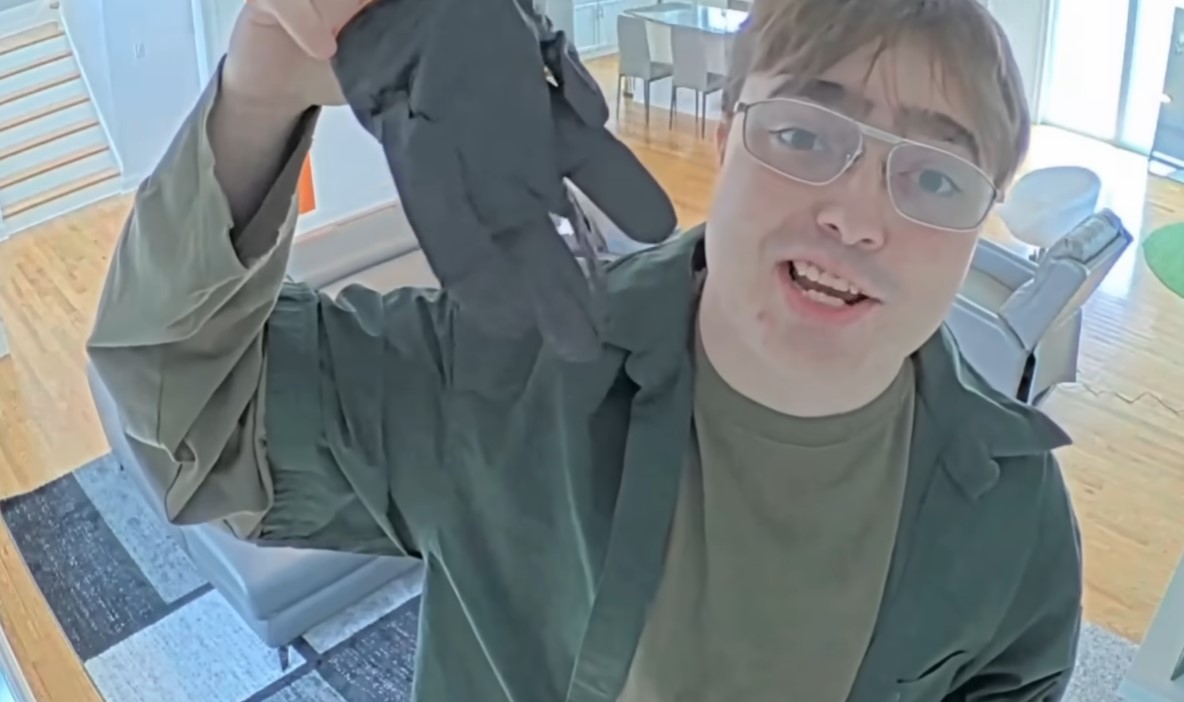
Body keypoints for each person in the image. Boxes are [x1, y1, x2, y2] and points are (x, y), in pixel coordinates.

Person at [87, 0, 1084, 700]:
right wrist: (263, 83)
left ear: (981, 224)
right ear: (726, 140)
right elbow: (193, 414)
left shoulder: (1014, 518)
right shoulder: (501, 376)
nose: (856, 216)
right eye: (805, 134)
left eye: (936, 179)